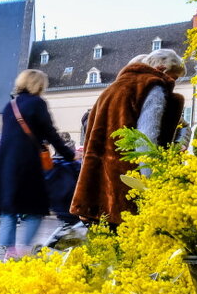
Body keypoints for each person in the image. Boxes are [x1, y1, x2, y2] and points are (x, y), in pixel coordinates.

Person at [71, 49, 186, 226]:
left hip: (98, 187)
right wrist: (152, 185)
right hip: (127, 187)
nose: (173, 83)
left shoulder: (110, 90)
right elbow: (146, 140)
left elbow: (90, 140)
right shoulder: (152, 87)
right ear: (162, 69)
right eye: (174, 77)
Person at [0, 69, 75, 259]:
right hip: (28, 163)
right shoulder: (37, 104)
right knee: (35, 208)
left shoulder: (10, 105)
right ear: (39, 84)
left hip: (7, 163)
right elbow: (51, 133)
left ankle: (9, 251)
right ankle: (24, 249)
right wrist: (68, 154)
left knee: (9, 209)